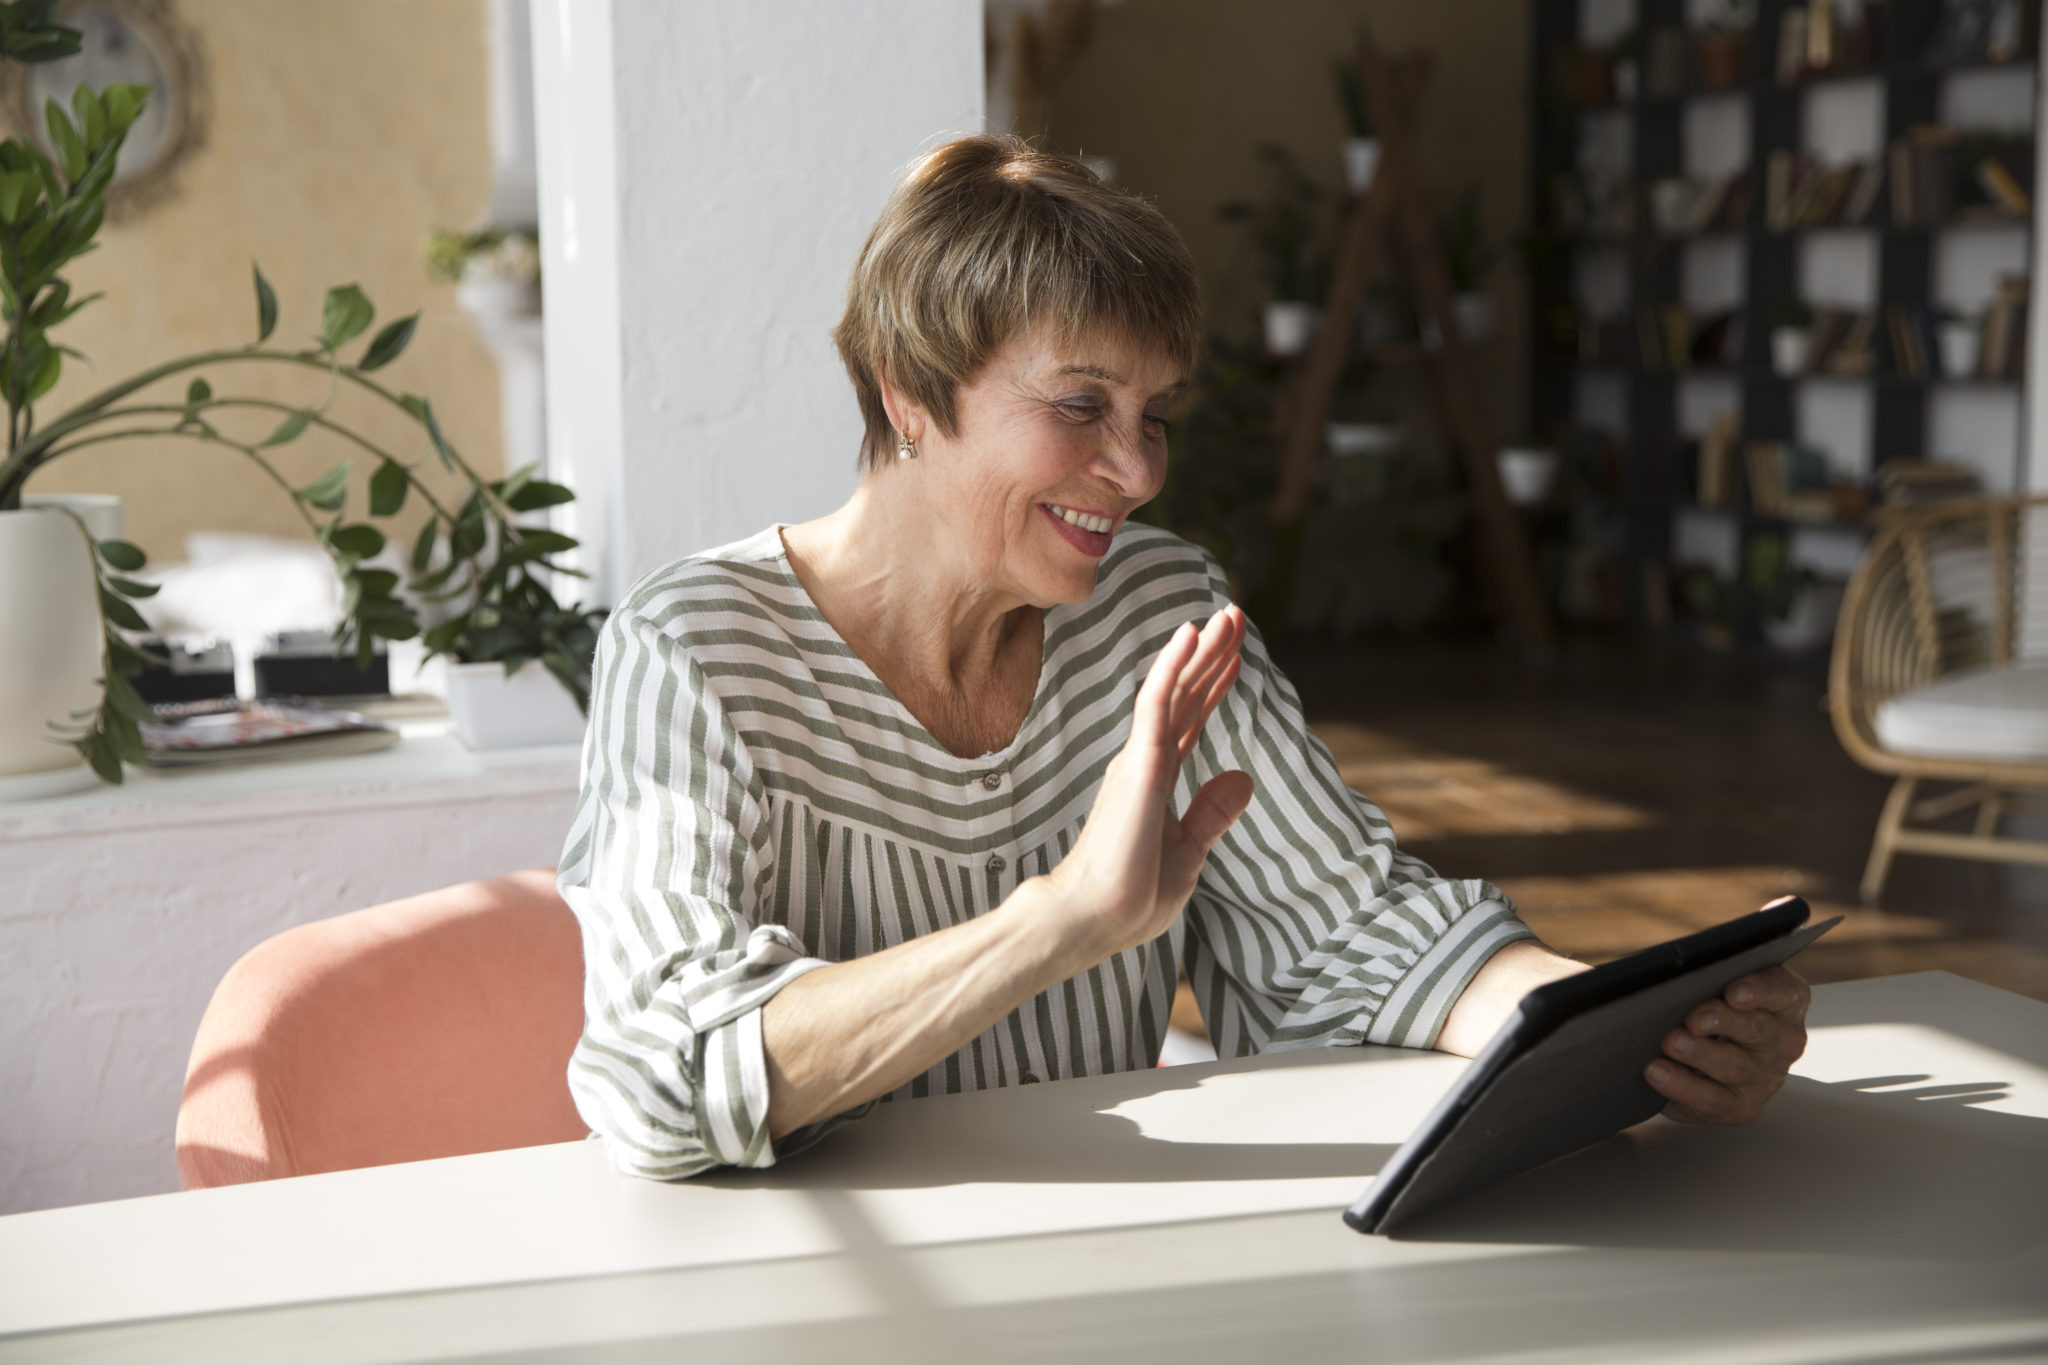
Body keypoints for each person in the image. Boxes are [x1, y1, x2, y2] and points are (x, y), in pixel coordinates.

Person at [555, 134, 1811, 1180]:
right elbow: (664, 1077)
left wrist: (1631, 1028)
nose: (1140, 469)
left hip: (1122, 1245)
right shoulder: (695, 650)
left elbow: (1345, 928)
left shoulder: (1158, 605)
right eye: (1079, 406)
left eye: (1154, 415)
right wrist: (1054, 922)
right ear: (908, 393)